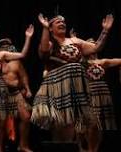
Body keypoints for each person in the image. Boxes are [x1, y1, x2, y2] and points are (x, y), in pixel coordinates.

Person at [31, 13, 114, 147]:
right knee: (64, 125)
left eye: (63, 21)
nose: (62, 23)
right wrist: (45, 29)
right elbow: (44, 52)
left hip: (78, 89)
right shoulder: (51, 43)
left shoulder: (75, 42)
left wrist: (105, 30)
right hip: (58, 89)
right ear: (51, 28)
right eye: (58, 22)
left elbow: (96, 47)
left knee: (91, 123)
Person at [0, 25, 33, 152]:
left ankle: (4, 147)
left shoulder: (2, 55)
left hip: (6, 91)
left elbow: (23, 55)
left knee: (4, 120)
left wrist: (28, 38)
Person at [0, 38, 33, 152]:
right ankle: (0, 147)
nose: (5, 48)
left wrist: (27, 89)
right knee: (0, 121)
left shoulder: (16, 62)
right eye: (3, 46)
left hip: (16, 93)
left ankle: (23, 145)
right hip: (1, 94)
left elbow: (23, 76)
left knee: (26, 117)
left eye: (7, 45)